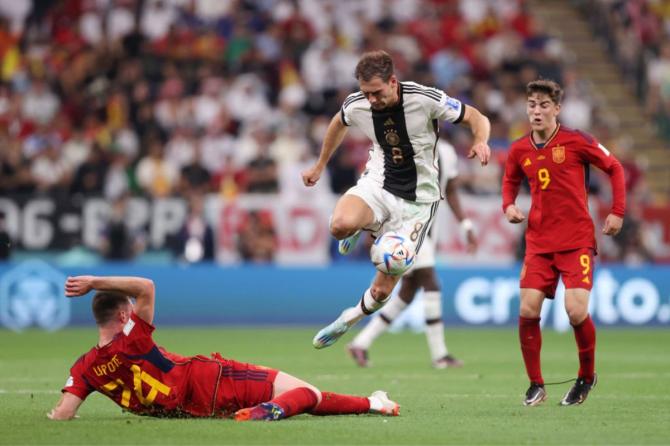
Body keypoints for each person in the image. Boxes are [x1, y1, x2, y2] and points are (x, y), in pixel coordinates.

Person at [302, 50, 491, 349]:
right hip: (380, 182)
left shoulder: (425, 98)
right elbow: (338, 122)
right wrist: (320, 164)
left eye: (376, 92)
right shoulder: (358, 103)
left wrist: (480, 140)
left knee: (381, 291)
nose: (372, 100)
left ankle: (349, 318)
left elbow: (476, 117)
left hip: (418, 203)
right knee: (338, 225)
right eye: (366, 93)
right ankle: (357, 229)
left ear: (393, 81)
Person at [48, 275, 400, 421]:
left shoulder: (85, 367)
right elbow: (147, 286)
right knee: (306, 393)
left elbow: (62, 413)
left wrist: (56, 417)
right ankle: (268, 412)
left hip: (190, 410)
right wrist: (94, 282)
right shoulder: (133, 338)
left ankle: (374, 403)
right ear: (124, 313)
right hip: (208, 379)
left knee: (306, 394)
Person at [501, 79, 625, 407]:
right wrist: (509, 205)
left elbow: (614, 167)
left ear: (557, 109)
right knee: (527, 308)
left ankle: (586, 376)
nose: (537, 111)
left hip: (575, 241)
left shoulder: (576, 141)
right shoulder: (519, 149)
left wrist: (617, 212)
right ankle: (536, 384)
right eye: (532, 105)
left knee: (575, 310)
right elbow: (511, 178)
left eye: (544, 106)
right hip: (539, 242)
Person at [347, 139, 477, 369]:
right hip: (407, 230)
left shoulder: (447, 151)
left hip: (429, 231)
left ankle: (361, 342)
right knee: (431, 283)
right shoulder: (408, 147)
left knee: (408, 292)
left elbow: (451, 189)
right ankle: (440, 355)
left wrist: (465, 224)